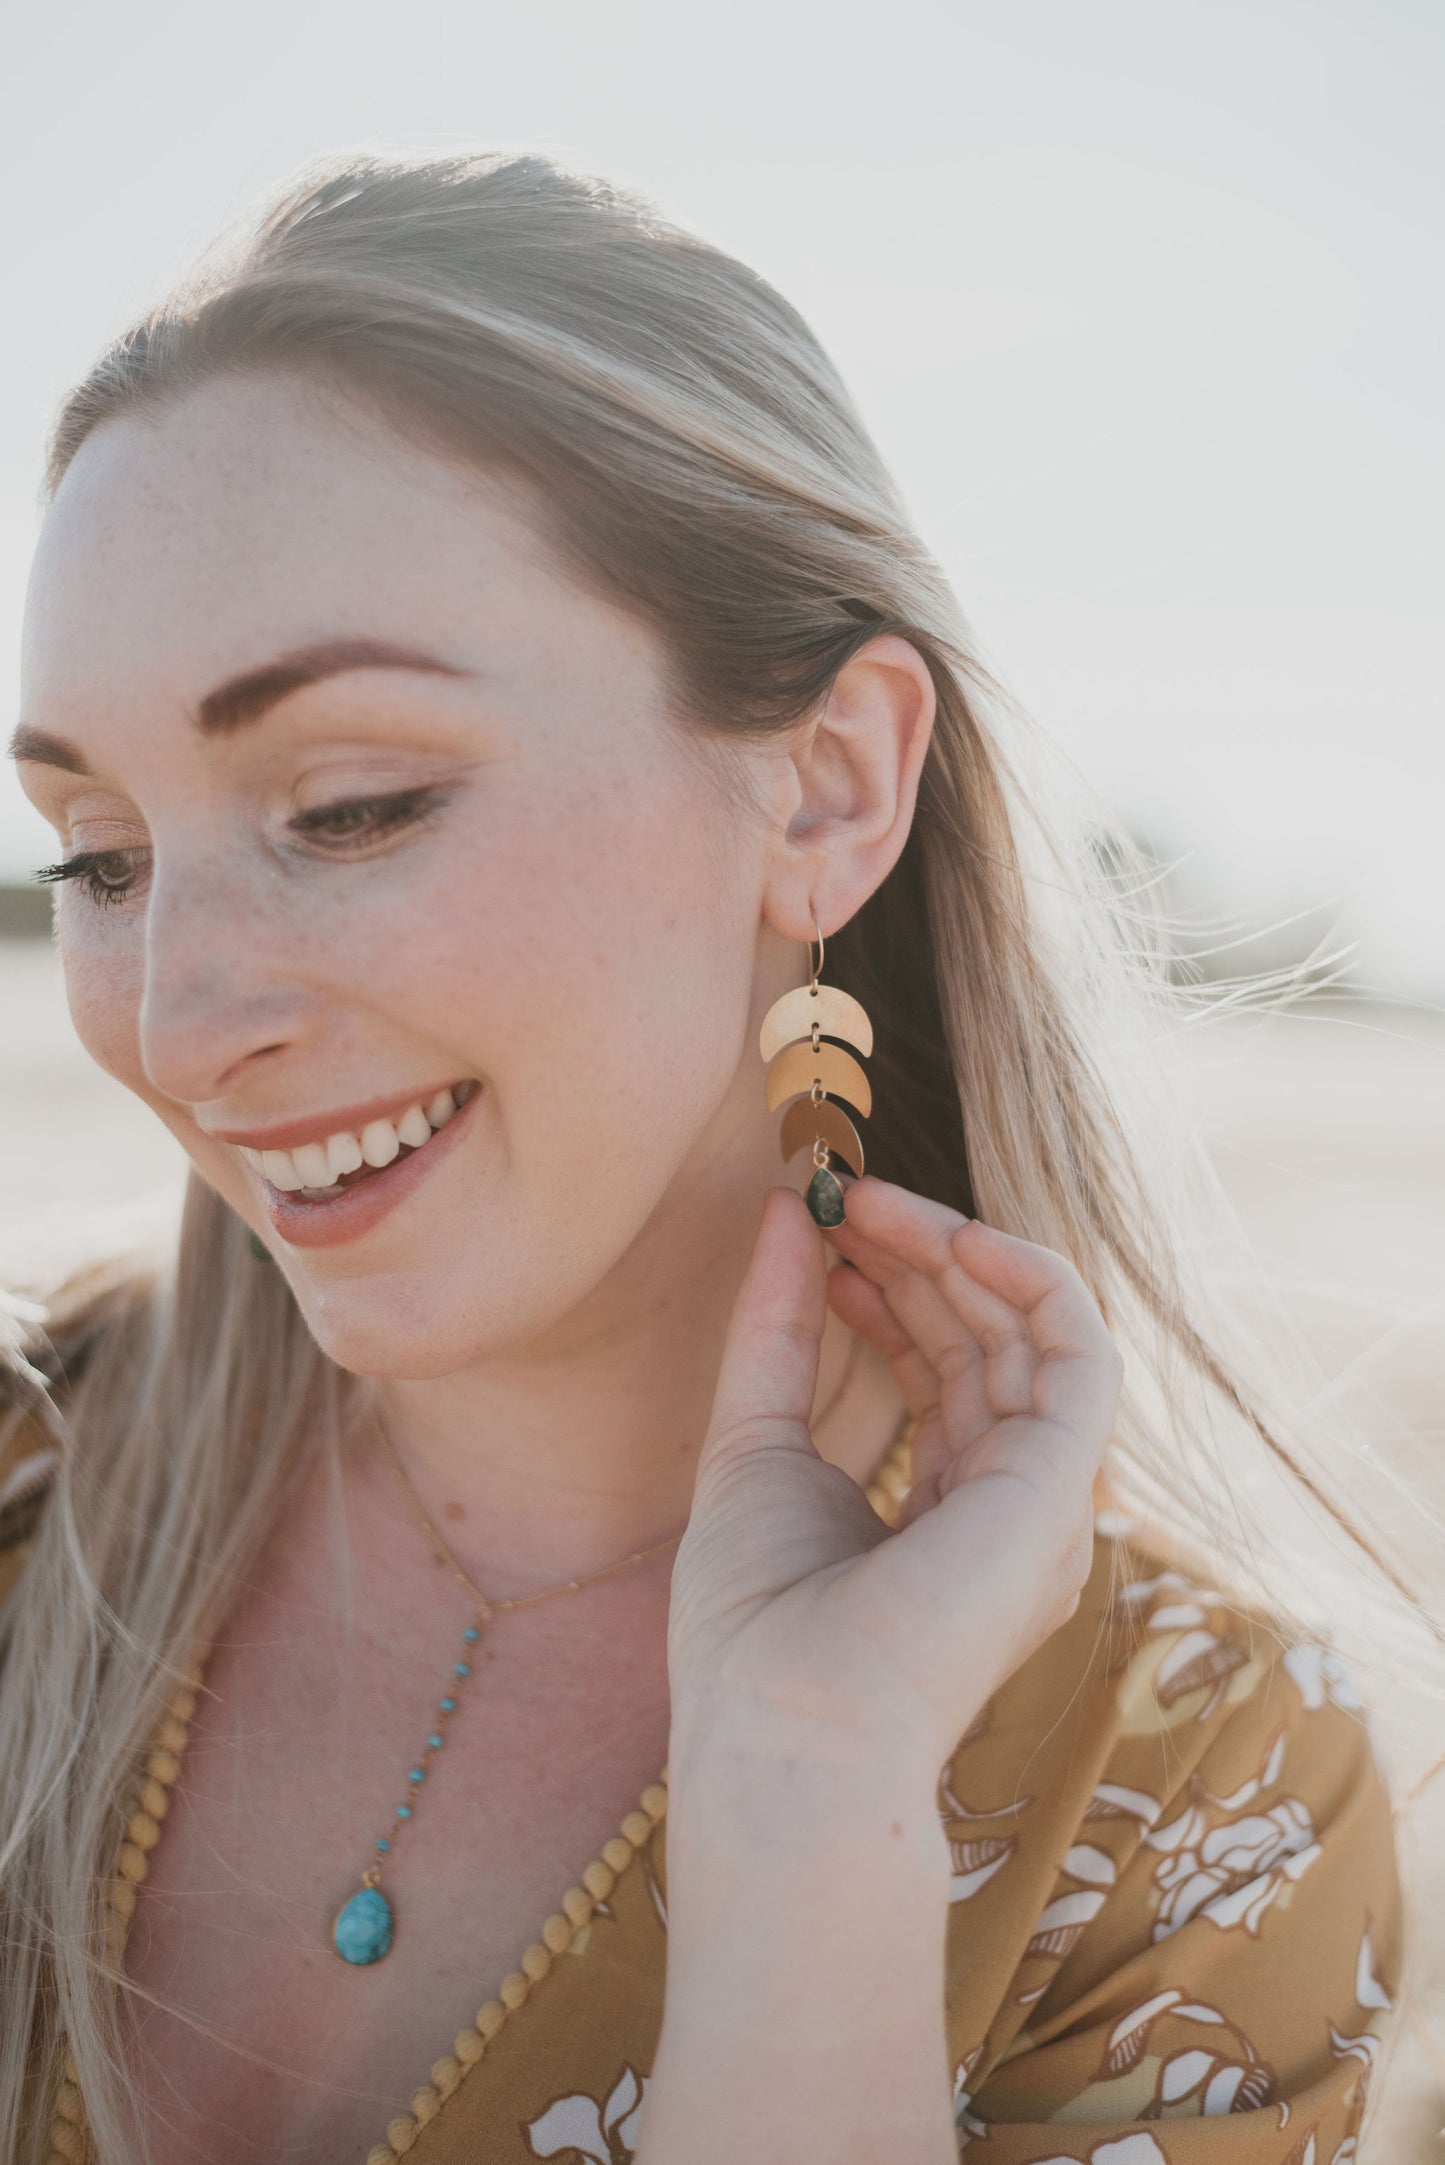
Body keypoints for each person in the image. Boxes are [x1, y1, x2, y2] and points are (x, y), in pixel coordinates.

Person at [0, 148, 1405, 2165]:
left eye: (355, 805)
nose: (183, 1017)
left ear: (828, 790)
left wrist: (821, 1799)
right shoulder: (21, 1481)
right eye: (103, 860)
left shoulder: (1194, 1796)